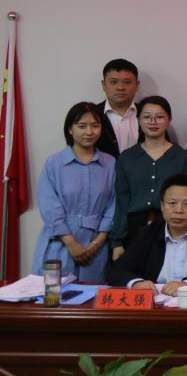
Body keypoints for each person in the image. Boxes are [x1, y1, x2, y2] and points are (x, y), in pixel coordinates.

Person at [107, 174, 187, 293]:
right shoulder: (147, 234)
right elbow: (116, 271)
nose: (179, 210)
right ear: (162, 206)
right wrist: (136, 283)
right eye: (172, 203)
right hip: (156, 303)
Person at [31, 102, 115, 281]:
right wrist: (70, 242)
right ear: (70, 129)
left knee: (93, 295)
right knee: (52, 293)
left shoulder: (110, 164)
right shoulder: (54, 163)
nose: (89, 132)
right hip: (59, 243)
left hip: (95, 248)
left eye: (95, 125)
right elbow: (49, 206)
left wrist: (98, 242)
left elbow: (113, 205)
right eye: (82, 126)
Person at [110, 96, 187, 259]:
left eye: (159, 117)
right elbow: (121, 201)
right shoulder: (127, 158)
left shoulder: (182, 157)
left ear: (169, 120)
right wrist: (117, 242)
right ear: (138, 120)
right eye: (147, 117)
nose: (153, 122)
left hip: (172, 229)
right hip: (134, 231)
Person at [96, 58, 140, 158]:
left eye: (127, 82)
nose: (120, 87)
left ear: (137, 85)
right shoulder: (91, 114)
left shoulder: (148, 114)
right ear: (103, 85)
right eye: (113, 82)